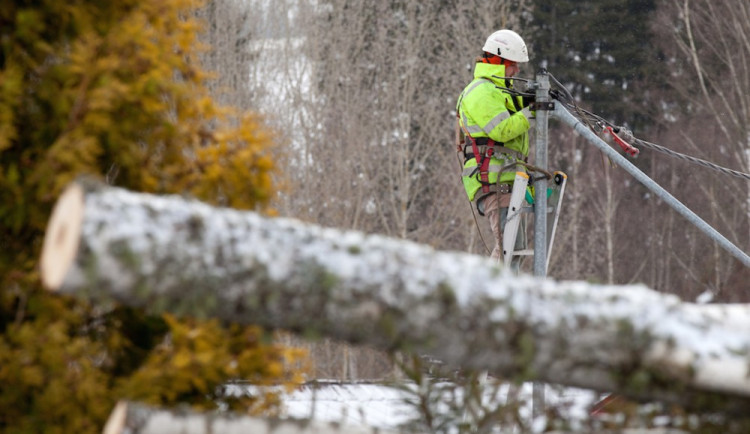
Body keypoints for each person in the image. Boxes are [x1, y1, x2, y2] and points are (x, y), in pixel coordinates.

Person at [456, 29, 534, 270]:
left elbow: (512, 115)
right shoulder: (481, 91)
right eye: (513, 65)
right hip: (494, 182)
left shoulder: (498, 91)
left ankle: (493, 296)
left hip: (507, 181)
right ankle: (490, 299)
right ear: (498, 61)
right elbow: (502, 130)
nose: (517, 71)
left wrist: (529, 100)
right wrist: (534, 112)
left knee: (512, 251)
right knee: (509, 251)